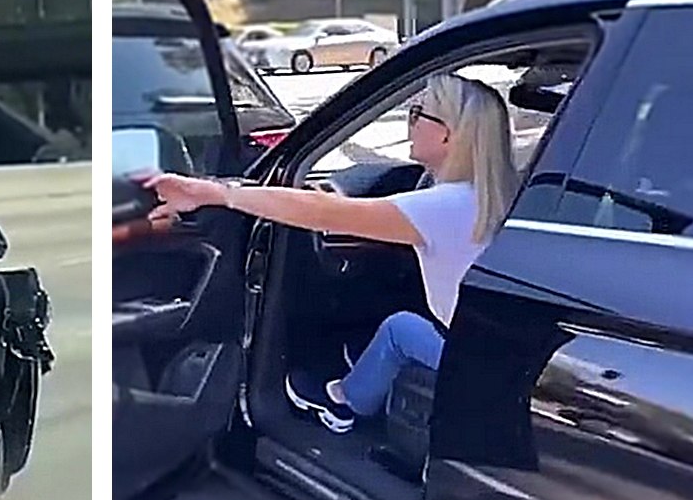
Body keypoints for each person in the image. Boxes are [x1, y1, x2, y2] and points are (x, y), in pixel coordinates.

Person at [143, 73, 521, 433]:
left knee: (398, 328)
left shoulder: (444, 206)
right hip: (504, 354)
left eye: (418, 113)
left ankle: (343, 400)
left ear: (447, 136)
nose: (411, 121)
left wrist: (214, 193)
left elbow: (326, 215)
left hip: (472, 362)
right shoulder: (499, 194)